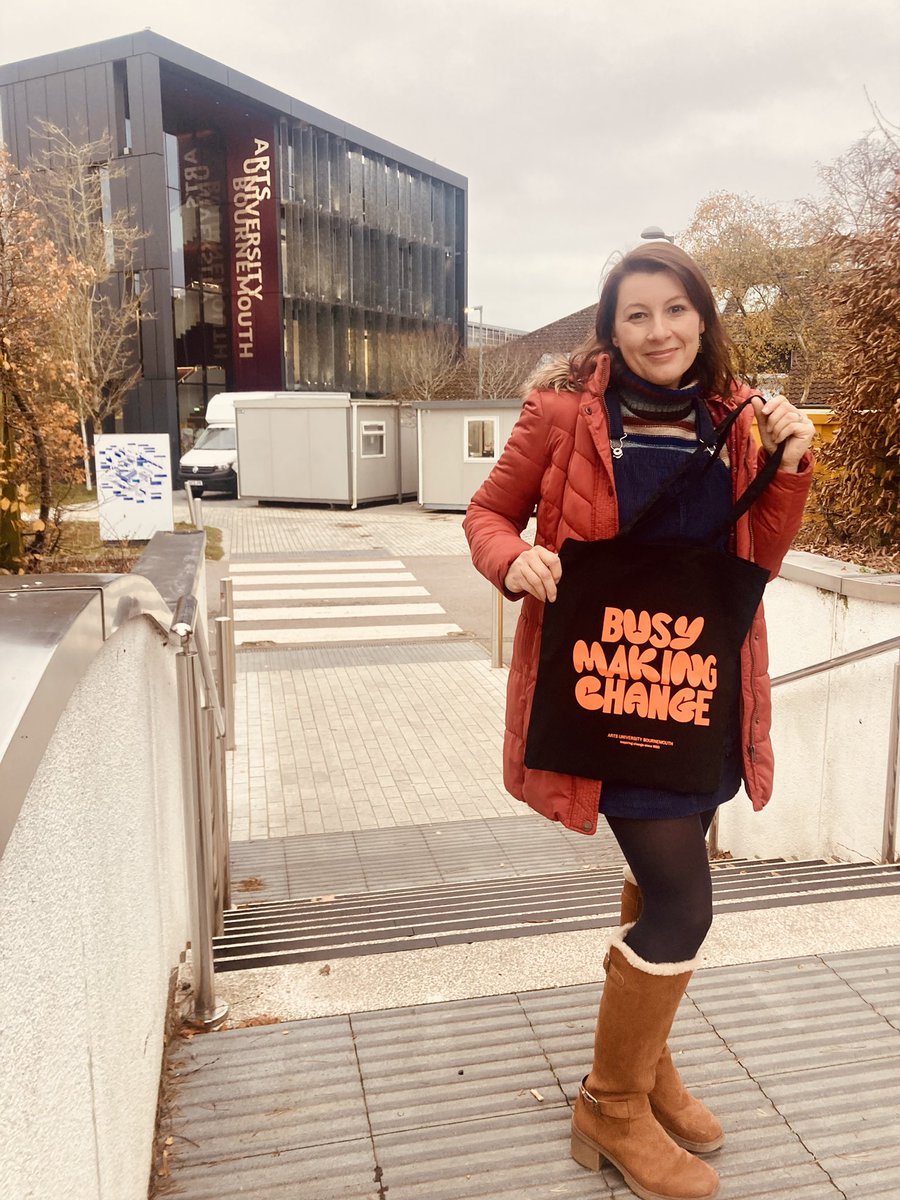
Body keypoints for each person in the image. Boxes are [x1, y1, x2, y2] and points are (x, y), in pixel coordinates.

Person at [463, 241, 815, 1200]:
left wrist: (789, 464)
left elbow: (762, 557)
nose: (659, 331)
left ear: (702, 316)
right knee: (683, 903)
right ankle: (610, 1104)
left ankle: (648, 1064)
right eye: (636, 315)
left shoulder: (737, 416)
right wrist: (514, 563)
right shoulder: (563, 412)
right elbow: (487, 516)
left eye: (675, 311)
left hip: (696, 685)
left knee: (671, 887)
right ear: (609, 328)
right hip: (604, 682)